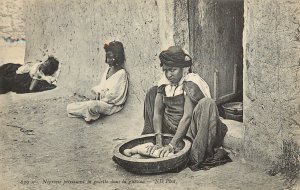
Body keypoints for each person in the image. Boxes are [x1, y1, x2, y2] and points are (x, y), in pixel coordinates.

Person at [142, 46, 230, 171]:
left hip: (189, 129)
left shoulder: (190, 82)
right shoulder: (164, 83)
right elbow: (157, 113)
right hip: (170, 126)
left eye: (173, 70)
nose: (169, 74)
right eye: (166, 70)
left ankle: (194, 152)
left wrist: (172, 145)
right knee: (152, 92)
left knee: (207, 103)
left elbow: (187, 116)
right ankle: (159, 139)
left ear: (183, 69)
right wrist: (159, 139)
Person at [67, 41, 129, 122]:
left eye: (110, 57)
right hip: (101, 101)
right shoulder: (108, 69)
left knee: (92, 105)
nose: (107, 60)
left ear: (117, 57)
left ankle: (90, 113)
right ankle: (89, 112)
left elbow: (114, 95)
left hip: (111, 105)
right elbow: (101, 86)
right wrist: (98, 91)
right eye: (107, 57)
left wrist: (101, 95)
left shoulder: (122, 73)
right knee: (70, 107)